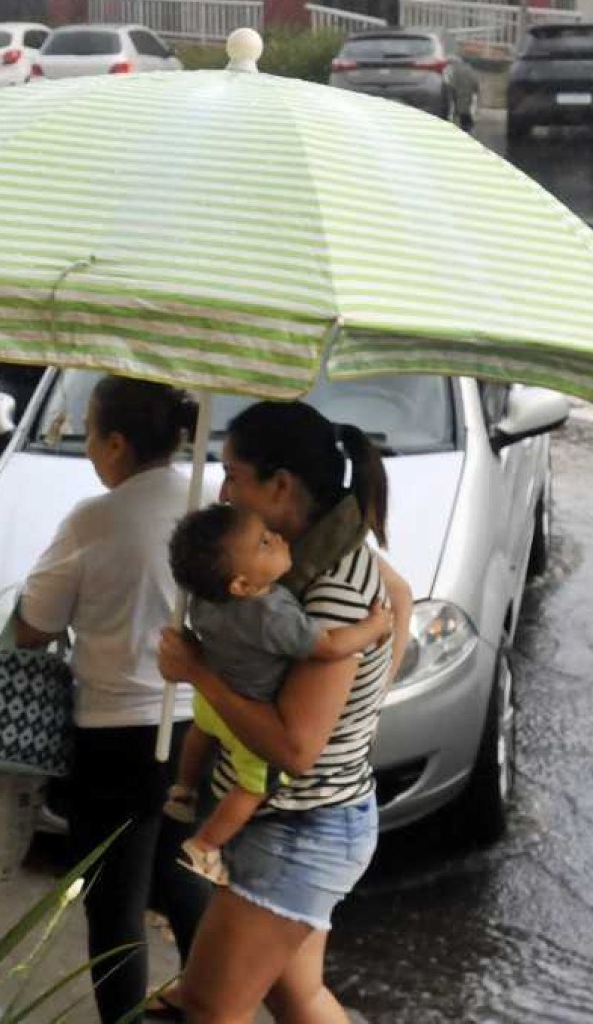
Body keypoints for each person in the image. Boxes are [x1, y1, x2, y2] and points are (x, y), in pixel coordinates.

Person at [151, 402, 413, 1024]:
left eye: (234, 474)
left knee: (207, 1008)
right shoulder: (300, 561)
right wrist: (360, 713)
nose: (223, 490)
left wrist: (199, 674)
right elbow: (398, 595)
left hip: (302, 831)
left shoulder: (330, 592)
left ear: (281, 486)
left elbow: (295, 749)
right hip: (296, 822)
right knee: (296, 996)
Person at [13, 374, 214, 1024]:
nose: (88, 448)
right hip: (197, 727)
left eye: (90, 435)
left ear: (118, 442)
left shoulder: (93, 519)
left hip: (114, 734)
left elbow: (34, 622)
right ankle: (216, 1003)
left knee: (116, 899)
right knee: (179, 871)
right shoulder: (208, 505)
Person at [163, 503, 395, 887]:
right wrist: (374, 626)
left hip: (211, 700)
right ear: (241, 585)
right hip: (249, 716)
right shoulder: (272, 614)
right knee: (255, 786)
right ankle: (204, 845)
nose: (279, 539)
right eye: (265, 543)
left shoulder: (203, 598)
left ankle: (183, 791)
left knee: (200, 734)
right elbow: (331, 646)